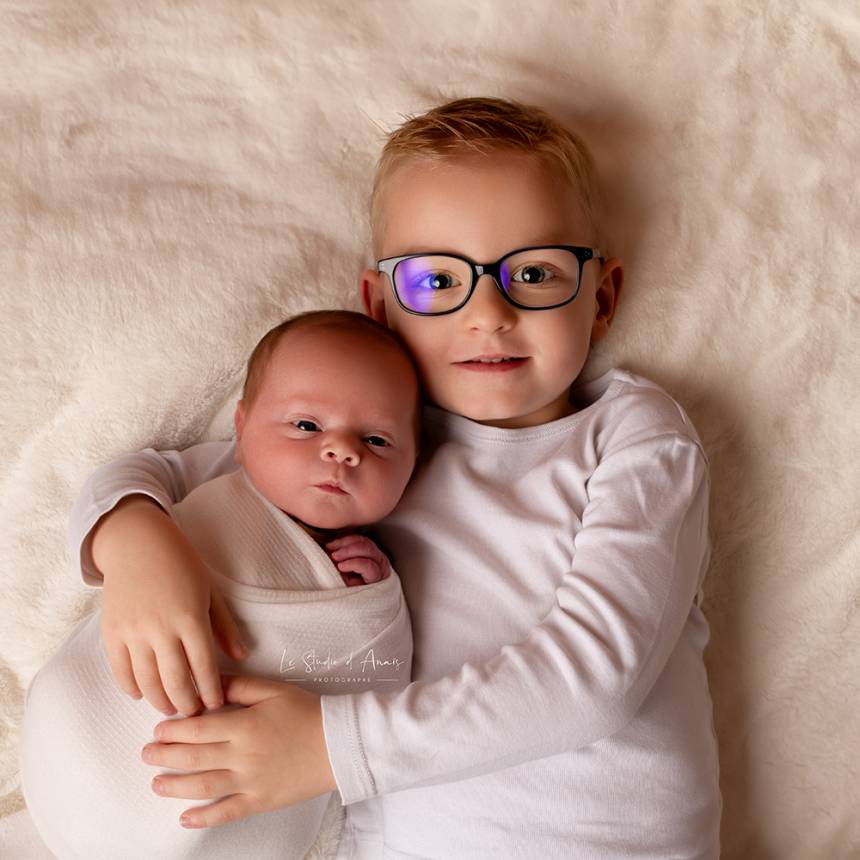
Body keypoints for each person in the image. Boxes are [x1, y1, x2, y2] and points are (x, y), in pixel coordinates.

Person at [62, 97, 722, 858]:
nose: (488, 313)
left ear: (601, 298)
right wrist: (134, 543)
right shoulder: (365, 440)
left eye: (535, 272)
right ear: (379, 306)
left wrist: (328, 748)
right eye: (437, 281)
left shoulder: (634, 437)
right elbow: (151, 475)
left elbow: (595, 676)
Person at [19, 311, 420, 860]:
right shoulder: (218, 473)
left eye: (377, 440)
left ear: (414, 464)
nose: (342, 451)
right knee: (73, 701)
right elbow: (122, 479)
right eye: (306, 426)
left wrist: (377, 598)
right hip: (83, 723)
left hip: (230, 790)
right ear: (243, 427)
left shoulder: (377, 575)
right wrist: (134, 539)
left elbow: (381, 693)